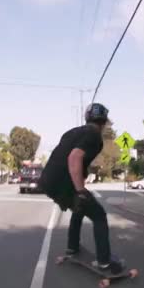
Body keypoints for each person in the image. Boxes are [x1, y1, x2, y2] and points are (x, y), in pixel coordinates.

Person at [39, 103, 124, 274]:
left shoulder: (72, 132)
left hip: (48, 181)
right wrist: (80, 190)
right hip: (64, 185)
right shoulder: (94, 136)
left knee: (79, 208)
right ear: (103, 123)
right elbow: (74, 157)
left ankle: (72, 248)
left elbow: (65, 157)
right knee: (99, 216)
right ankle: (104, 261)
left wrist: (80, 187)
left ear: (87, 118)